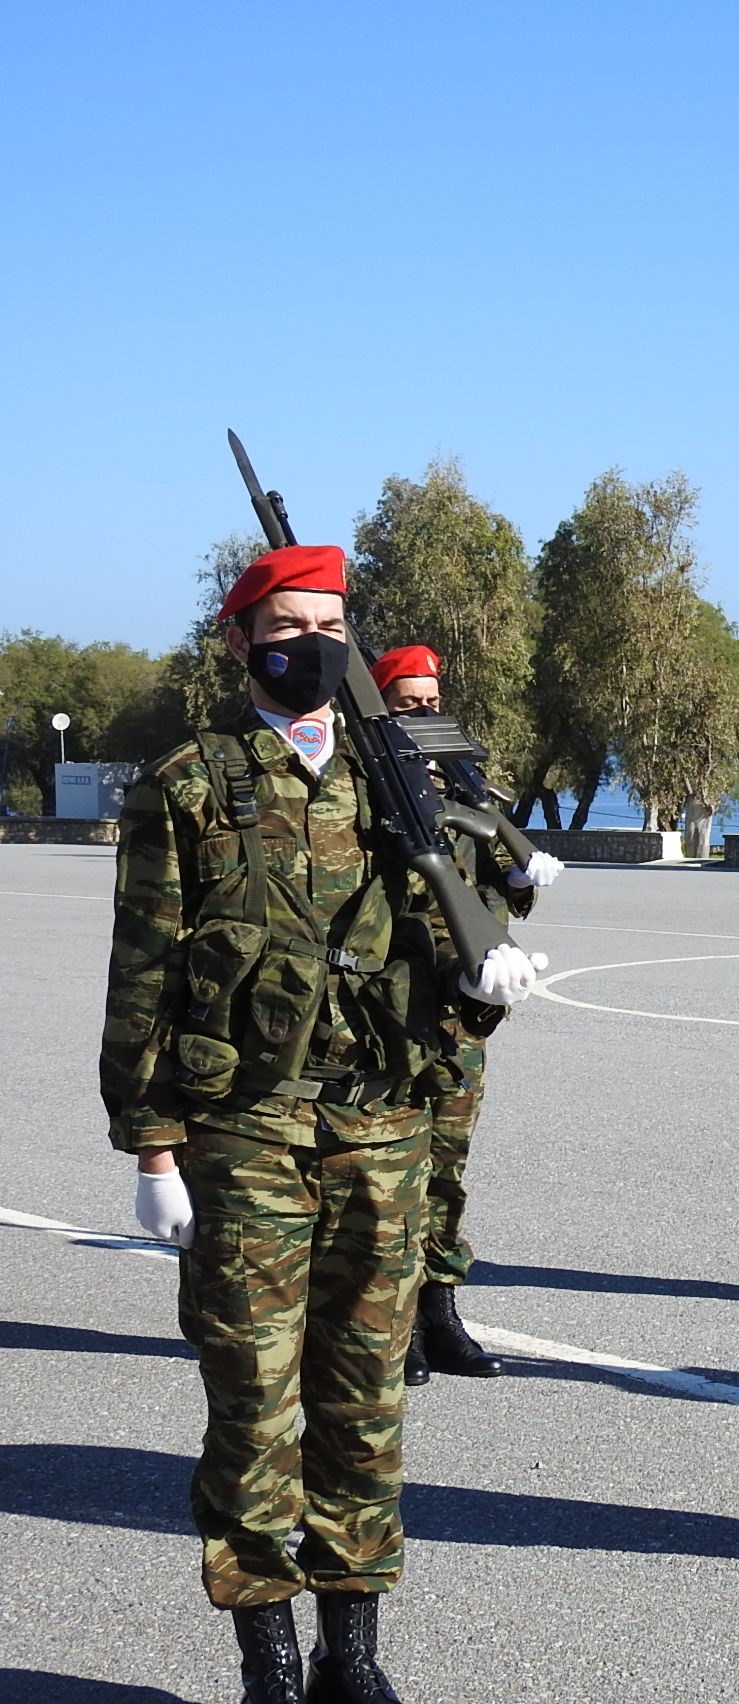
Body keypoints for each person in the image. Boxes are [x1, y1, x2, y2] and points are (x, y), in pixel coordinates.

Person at [101, 545, 539, 1702]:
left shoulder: (399, 781)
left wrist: (485, 981)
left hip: (386, 1132)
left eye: (332, 624)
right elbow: (141, 978)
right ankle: (269, 1664)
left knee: (364, 1404)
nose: (315, 644)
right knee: (253, 1404)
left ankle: (354, 1656)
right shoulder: (188, 784)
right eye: (288, 624)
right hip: (243, 1134)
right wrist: (150, 1144)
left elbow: (447, 946)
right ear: (239, 640)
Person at [368, 644, 563, 1384]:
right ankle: (393, 1326)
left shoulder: (468, 783)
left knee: (447, 1172)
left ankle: (440, 1311)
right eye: (408, 701)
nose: (424, 711)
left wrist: (522, 873)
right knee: (390, 1177)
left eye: (430, 700)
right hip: (388, 1013)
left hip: (464, 1017)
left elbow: (503, 896)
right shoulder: (370, 789)